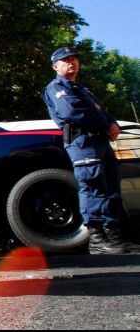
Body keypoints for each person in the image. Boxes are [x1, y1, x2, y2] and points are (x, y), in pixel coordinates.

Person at [43, 47, 139, 255]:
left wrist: (112, 124)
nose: (71, 62)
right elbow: (72, 112)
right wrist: (105, 125)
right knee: (94, 188)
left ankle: (115, 237)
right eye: (65, 60)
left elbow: (100, 111)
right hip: (83, 143)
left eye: (74, 59)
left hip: (100, 142)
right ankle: (97, 239)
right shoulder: (57, 87)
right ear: (55, 66)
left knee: (111, 189)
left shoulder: (82, 89)